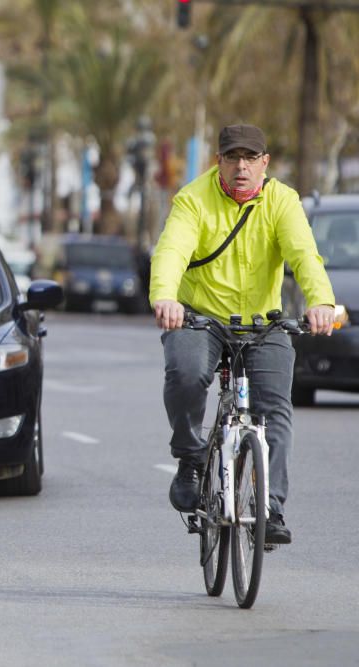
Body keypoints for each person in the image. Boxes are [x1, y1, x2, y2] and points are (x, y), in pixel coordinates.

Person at [150, 123, 336, 545]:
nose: (241, 167)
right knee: (185, 373)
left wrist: (320, 301)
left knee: (274, 407)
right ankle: (190, 456)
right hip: (200, 317)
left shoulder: (282, 201)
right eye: (232, 158)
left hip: (263, 321)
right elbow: (172, 251)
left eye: (250, 159)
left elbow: (305, 256)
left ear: (264, 163)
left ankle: (270, 505)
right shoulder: (193, 200)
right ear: (218, 162)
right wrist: (165, 297)